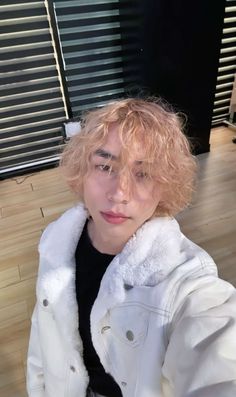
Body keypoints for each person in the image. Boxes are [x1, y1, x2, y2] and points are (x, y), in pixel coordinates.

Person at [27, 98, 236, 397]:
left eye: (143, 173)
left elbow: (218, 357)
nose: (119, 193)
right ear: (83, 171)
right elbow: (42, 342)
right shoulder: (56, 243)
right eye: (104, 166)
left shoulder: (187, 282)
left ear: (166, 184)